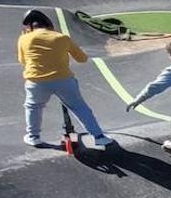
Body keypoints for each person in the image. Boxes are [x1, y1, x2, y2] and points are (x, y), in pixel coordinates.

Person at [17, 9, 115, 149]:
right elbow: (82, 59)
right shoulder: (61, 37)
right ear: (49, 25)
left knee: (33, 107)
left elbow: (22, 61)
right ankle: (98, 137)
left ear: (30, 27)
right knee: (79, 107)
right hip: (63, 79)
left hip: (36, 81)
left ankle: (34, 137)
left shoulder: (23, 38)